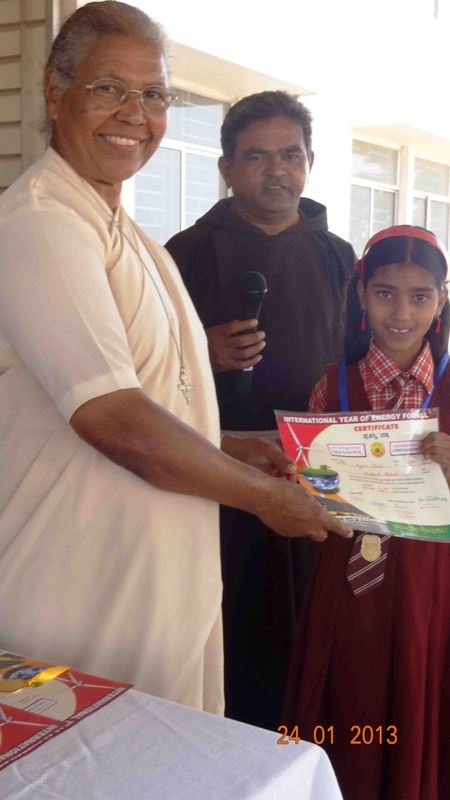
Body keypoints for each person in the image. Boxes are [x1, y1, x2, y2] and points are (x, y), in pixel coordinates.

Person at [0, 1, 352, 716]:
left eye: (155, 95)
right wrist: (265, 498)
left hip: (157, 589)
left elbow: (159, 393)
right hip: (80, 592)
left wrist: (232, 446)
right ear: (55, 92)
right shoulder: (43, 221)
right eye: (109, 87)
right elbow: (114, 419)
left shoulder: (130, 236)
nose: (135, 114)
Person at [166, 91, 355, 728]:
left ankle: (307, 746)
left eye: (290, 155)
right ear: (226, 168)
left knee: (313, 626)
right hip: (214, 471)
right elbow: (138, 374)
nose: (277, 170)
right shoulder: (184, 254)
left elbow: (364, 362)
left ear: (310, 163)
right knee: (229, 628)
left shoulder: (340, 258)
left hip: (319, 472)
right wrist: (200, 353)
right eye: (256, 157)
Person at [283, 225, 450, 800]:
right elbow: (310, 497)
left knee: (420, 687)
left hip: (433, 581)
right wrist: (305, 485)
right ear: (360, 294)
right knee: (347, 685)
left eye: (420, 296)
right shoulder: (331, 387)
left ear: (441, 299)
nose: (401, 313)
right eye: (384, 293)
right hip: (345, 575)